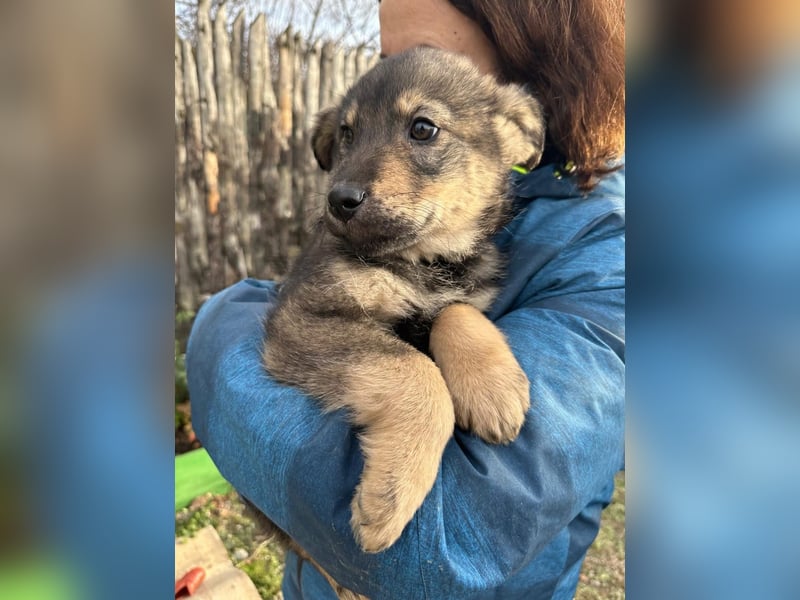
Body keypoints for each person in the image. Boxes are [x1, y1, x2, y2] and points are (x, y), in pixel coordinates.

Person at [187, 0, 625, 598]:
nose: (350, 180)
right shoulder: (363, 251)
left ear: (516, 126)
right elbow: (300, 328)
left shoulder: (612, 250)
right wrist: (412, 390)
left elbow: (453, 538)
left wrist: (220, 323)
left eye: (423, 129)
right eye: (350, 136)